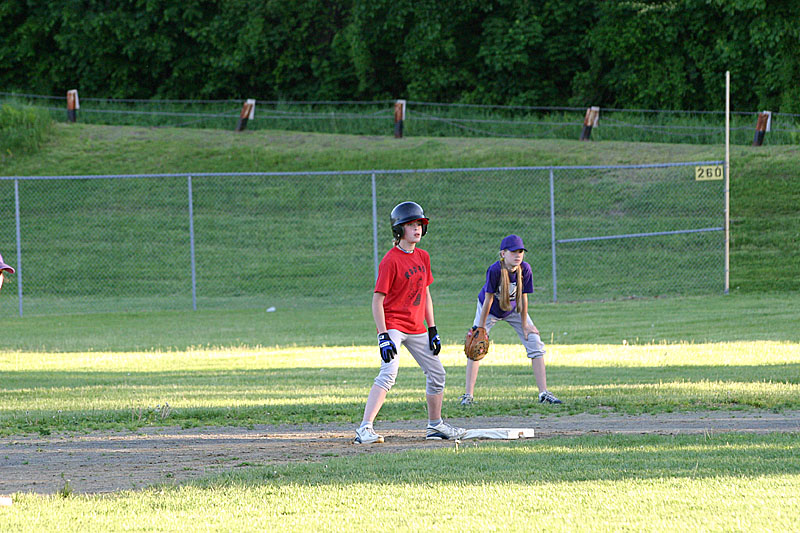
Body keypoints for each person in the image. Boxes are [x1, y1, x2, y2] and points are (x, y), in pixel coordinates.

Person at [354, 201, 466, 444]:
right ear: (398, 230)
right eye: (411, 225)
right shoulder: (390, 260)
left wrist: (433, 329)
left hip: (417, 328)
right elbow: (377, 301)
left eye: (419, 224)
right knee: (388, 373)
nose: (417, 229)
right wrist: (383, 336)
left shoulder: (423, 257)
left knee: (438, 374)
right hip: (393, 325)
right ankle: (364, 429)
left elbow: (425, 294)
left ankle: (435, 426)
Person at [460, 234, 562, 407]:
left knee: (535, 342)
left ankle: (544, 393)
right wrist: (481, 328)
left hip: (514, 310)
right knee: (475, 348)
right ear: (502, 254)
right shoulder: (495, 270)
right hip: (490, 309)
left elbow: (523, 298)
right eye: (513, 251)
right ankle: (468, 396)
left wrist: (525, 325)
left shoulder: (525, 269)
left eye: (520, 251)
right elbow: (488, 299)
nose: (517, 255)